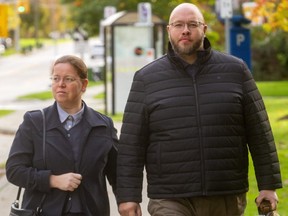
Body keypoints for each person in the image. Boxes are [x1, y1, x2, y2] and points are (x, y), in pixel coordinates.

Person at [116, 3, 282, 216]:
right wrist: (128, 197)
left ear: (204, 29)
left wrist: (268, 185)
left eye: (192, 24)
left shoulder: (236, 70)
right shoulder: (146, 78)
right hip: (170, 197)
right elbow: (132, 143)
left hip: (225, 193)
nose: (185, 30)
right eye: (178, 25)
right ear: (169, 31)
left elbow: (260, 133)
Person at [6, 55, 118, 216]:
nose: (60, 85)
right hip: (43, 211)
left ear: (84, 84)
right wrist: (52, 180)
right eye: (55, 78)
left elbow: (118, 174)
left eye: (68, 79)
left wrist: (126, 201)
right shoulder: (34, 122)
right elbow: (14, 171)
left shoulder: (103, 125)